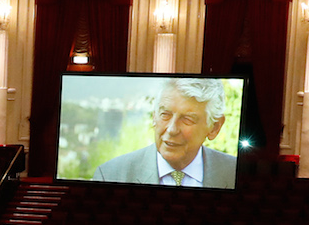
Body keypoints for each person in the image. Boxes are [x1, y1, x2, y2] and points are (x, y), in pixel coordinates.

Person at [96, 78, 238, 189]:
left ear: (214, 127)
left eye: (187, 119)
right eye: (165, 114)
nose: (171, 129)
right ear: (154, 116)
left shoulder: (235, 173)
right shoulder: (110, 175)